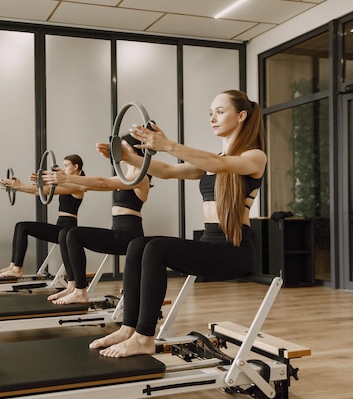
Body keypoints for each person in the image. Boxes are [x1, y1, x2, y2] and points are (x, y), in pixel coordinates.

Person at [91, 90, 267, 358]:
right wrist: (128, 158)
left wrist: (168, 144)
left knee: (157, 249)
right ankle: (129, 328)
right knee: (138, 245)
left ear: (241, 116)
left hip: (234, 252)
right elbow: (169, 171)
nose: (213, 118)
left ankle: (144, 337)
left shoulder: (255, 157)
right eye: (210, 113)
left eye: (220, 112)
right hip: (209, 247)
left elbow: (220, 164)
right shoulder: (210, 161)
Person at [41, 134, 151, 305]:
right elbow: (85, 185)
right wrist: (59, 179)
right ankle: (72, 286)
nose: (118, 151)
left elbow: (103, 183)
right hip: (117, 232)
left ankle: (80, 291)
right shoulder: (123, 175)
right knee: (67, 234)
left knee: (74, 235)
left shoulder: (141, 177)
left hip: (129, 237)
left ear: (134, 148)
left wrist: (67, 177)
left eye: (123, 147)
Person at [0, 154, 85, 279]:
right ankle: (13, 266)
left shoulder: (77, 187)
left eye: (66, 166)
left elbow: (46, 191)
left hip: (67, 230)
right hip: (60, 227)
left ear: (76, 167)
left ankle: (16, 269)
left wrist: (19, 186)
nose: (63, 169)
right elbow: (41, 189)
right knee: (20, 226)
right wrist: (19, 186)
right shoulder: (67, 184)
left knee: (23, 227)